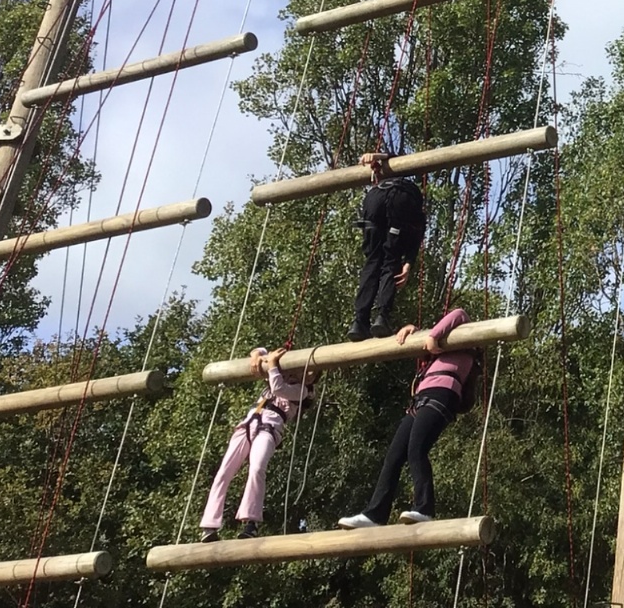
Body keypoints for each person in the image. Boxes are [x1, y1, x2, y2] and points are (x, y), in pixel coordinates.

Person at [337, 307, 477, 529]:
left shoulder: (466, 343)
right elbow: (424, 348)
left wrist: (432, 335)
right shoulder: (436, 354)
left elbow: (459, 313)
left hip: (443, 393)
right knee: (394, 456)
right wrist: (416, 333)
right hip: (421, 397)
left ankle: (424, 508)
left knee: (417, 449)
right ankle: (375, 514)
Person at [199, 346, 317, 542]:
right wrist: (257, 355)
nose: (306, 375)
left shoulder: (302, 391)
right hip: (246, 425)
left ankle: (251, 522)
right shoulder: (277, 375)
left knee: (257, 469)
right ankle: (209, 525)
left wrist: (272, 364)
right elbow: (262, 351)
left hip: (268, 429)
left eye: (312, 374)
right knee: (224, 472)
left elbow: (278, 388)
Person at [349, 150, 426, 341]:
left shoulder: (379, 184)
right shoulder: (410, 193)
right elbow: (418, 231)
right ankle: (382, 316)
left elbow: (389, 157)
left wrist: (376, 157)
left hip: (373, 201)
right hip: (401, 202)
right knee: (391, 259)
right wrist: (408, 262)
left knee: (372, 260)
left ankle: (359, 321)